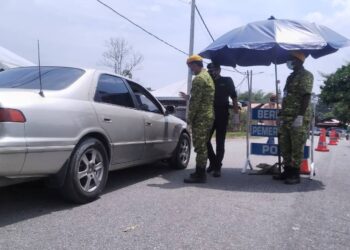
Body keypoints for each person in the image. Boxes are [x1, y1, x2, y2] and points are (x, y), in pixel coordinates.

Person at [274, 51, 314, 184]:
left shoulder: (306, 75)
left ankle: (295, 174)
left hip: (298, 116)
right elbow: (287, 96)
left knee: (296, 146)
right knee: (285, 145)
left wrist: (301, 116)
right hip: (286, 116)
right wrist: (282, 111)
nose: (289, 62)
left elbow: (306, 96)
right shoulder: (290, 77)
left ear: (299, 60)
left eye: (292, 59)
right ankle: (287, 171)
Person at [184, 55, 215, 183]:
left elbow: (195, 103)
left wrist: (189, 119)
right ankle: (199, 171)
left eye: (190, 66)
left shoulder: (199, 79)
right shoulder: (208, 77)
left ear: (194, 64)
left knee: (200, 147)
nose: (190, 69)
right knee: (203, 146)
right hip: (208, 116)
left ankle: (200, 175)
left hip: (201, 118)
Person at [206, 62, 239, 177]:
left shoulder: (227, 80)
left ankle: (217, 167)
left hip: (222, 114)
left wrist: (236, 112)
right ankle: (214, 162)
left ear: (219, 70)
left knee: (220, 141)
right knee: (205, 140)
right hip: (209, 115)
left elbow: (234, 96)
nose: (212, 72)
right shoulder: (207, 81)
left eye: (214, 70)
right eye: (210, 70)